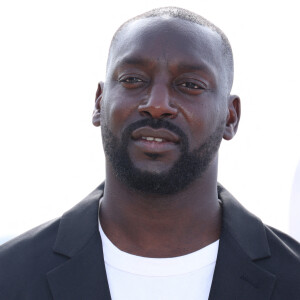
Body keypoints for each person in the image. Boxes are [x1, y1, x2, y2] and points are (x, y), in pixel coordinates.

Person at [0, 6, 299, 300]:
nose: (157, 104)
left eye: (190, 85)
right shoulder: (9, 275)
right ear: (99, 103)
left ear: (230, 118)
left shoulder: (293, 278)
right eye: (132, 80)